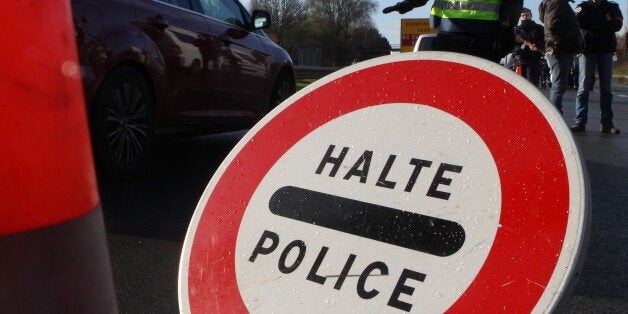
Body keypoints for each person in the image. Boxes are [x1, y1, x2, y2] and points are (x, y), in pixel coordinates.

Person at [383, 0, 522, 63]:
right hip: (485, 36)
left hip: (450, 33)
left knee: (447, 86)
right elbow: (514, 4)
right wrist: (509, 30)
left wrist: (407, 4)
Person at [571, 0, 623, 134]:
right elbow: (579, 22)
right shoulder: (582, 6)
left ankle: (607, 123)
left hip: (606, 50)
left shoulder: (612, 6)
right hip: (587, 51)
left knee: (606, 89)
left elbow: (617, 24)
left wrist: (593, 23)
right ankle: (580, 122)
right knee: (583, 88)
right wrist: (604, 21)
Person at [539, 0, 582, 115]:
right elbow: (553, 25)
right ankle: (554, 116)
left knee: (559, 85)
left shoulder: (555, 3)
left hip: (558, 49)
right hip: (559, 49)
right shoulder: (558, 3)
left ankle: (555, 114)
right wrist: (572, 37)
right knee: (559, 85)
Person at [513, 8, 545, 86]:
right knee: (519, 85)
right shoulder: (516, 30)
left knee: (532, 83)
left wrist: (536, 45)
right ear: (520, 17)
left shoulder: (539, 29)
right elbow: (512, 44)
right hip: (520, 60)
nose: (525, 17)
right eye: (523, 15)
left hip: (533, 60)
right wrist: (519, 42)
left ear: (531, 16)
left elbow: (544, 42)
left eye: (527, 15)